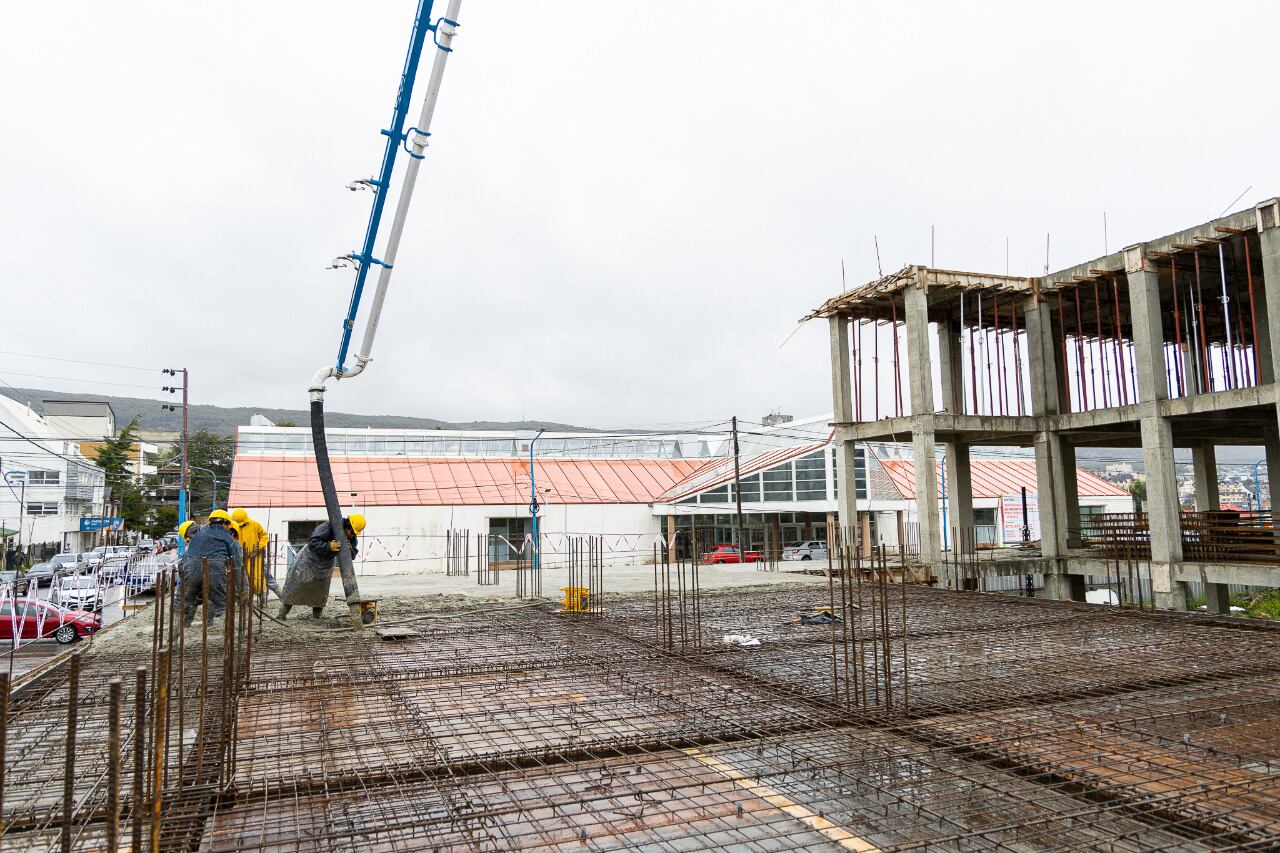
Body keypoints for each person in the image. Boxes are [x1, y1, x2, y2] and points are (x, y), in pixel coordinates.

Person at [279, 514, 364, 620]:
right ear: (348, 526)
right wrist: (328, 546)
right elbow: (313, 543)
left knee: (321, 591)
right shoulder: (328, 527)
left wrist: (350, 550)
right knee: (296, 586)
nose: (352, 536)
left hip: (325, 564)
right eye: (352, 532)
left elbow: (353, 555)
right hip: (308, 560)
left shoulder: (351, 537)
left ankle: (317, 617)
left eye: (355, 534)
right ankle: (282, 614)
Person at [179, 509, 245, 627]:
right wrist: (243, 589)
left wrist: (184, 580)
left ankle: (175, 636)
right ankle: (227, 639)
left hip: (194, 571)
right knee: (222, 604)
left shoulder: (198, 536)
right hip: (215, 571)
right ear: (226, 524)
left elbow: (184, 562)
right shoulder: (227, 538)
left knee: (181, 604)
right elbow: (238, 565)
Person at [230, 508, 275, 603]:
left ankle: (261, 597)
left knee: (257, 578)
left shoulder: (255, 525)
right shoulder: (232, 527)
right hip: (240, 557)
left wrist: (259, 547)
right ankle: (243, 600)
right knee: (241, 579)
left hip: (255, 557)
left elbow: (264, 536)